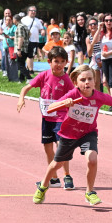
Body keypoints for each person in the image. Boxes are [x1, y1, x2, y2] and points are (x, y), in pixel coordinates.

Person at [32, 65, 112, 205]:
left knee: (92, 159)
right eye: (83, 79)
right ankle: (43, 186)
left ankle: (90, 192)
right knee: (56, 164)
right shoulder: (72, 94)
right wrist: (65, 103)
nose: (87, 82)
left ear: (95, 82)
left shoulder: (99, 97)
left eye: (90, 79)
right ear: (76, 83)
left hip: (88, 133)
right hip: (69, 134)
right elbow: (50, 108)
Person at [17, 46, 75, 190]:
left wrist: (70, 105)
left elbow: (75, 96)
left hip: (61, 117)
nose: (59, 65)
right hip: (47, 118)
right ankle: (54, 178)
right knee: (48, 148)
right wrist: (21, 99)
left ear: (66, 63)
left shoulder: (66, 79)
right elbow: (25, 88)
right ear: (49, 62)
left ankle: (67, 175)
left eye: (62, 62)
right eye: (56, 61)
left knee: (61, 146)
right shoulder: (44, 75)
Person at [20, 5, 45, 75]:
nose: (33, 12)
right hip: (26, 41)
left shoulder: (37, 20)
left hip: (35, 41)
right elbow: (19, 29)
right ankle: (29, 70)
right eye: (32, 11)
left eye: (35, 11)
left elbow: (41, 28)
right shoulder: (24, 19)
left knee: (31, 55)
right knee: (27, 55)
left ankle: (29, 69)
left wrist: (42, 31)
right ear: (28, 12)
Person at [86, 16, 103, 92]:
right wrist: (92, 43)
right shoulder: (88, 38)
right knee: (96, 83)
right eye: (91, 24)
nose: (93, 25)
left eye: (95, 24)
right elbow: (89, 54)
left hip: (104, 57)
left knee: (107, 82)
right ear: (88, 27)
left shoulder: (102, 34)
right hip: (95, 60)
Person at [13, 13, 32, 82]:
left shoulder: (19, 27)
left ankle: (29, 77)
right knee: (22, 63)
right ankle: (21, 79)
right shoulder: (25, 26)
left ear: (15, 20)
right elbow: (30, 34)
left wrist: (19, 49)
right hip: (26, 47)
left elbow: (21, 38)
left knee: (20, 65)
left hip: (22, 48)